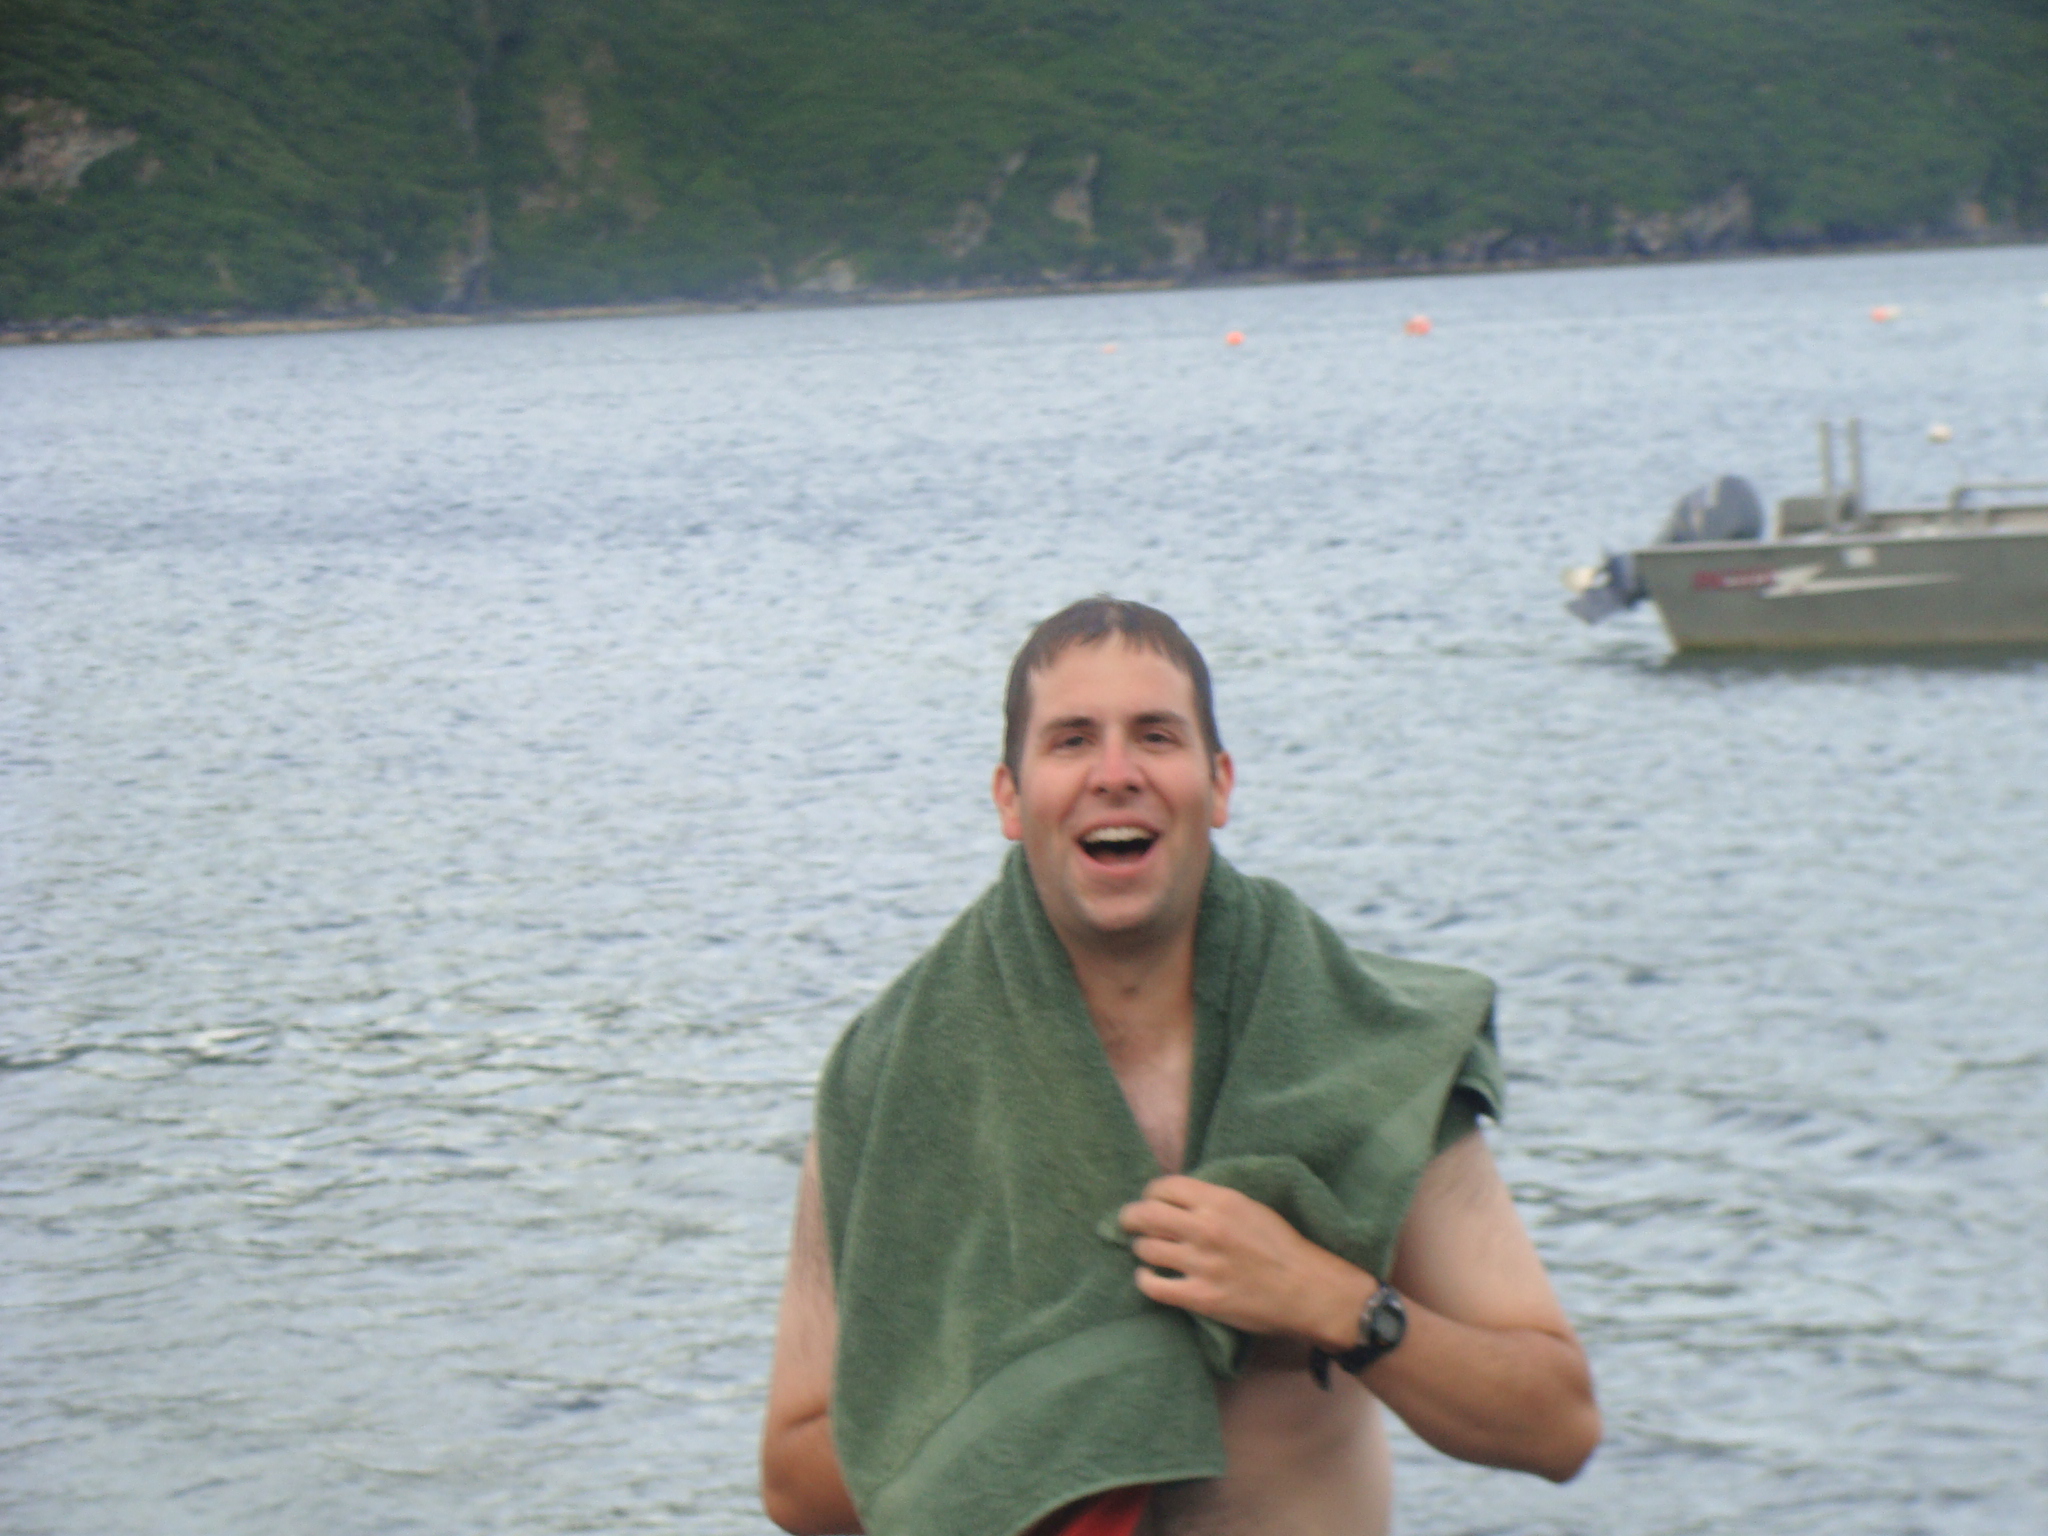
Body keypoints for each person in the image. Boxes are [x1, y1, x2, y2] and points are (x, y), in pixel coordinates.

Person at [761, 598, 1599, 1536]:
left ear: (1219, 783)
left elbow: (1558, 1423)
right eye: (1072, 740)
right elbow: (795, 1478)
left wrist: (1332, 1301)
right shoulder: (896, 1083)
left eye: (1155, 736)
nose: (1116, 774)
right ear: (1010, 798)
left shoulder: (1362, 1052)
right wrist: (1036, 1383)